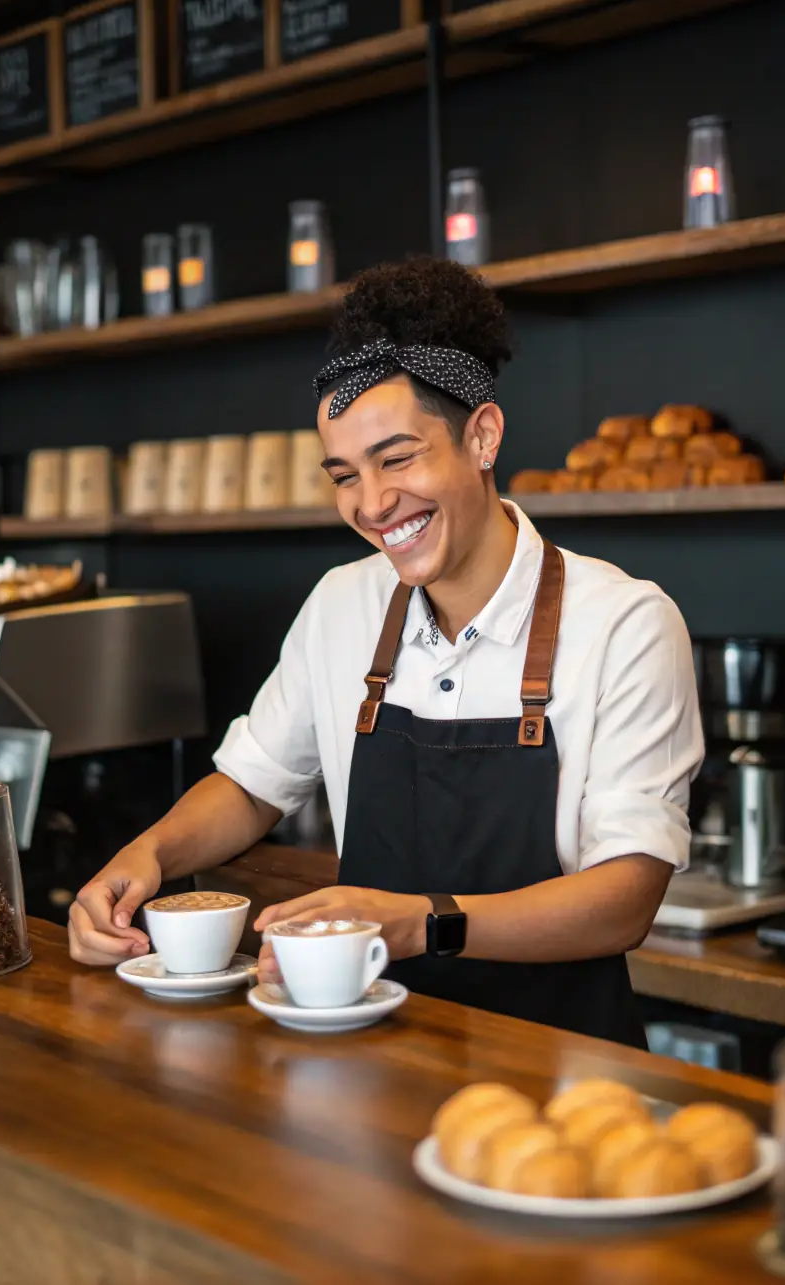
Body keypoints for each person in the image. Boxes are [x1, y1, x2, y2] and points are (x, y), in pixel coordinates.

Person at [69, 256, 703, 1046]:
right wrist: (145, 855)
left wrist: (417, 923)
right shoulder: (344, 603)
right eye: (345, 475)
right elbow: (253, 783)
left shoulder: (626, 625)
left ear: (482, 435)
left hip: (561, 1071)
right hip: (367, 1057)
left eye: (397, 458)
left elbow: (626, 899)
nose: (371, 505)